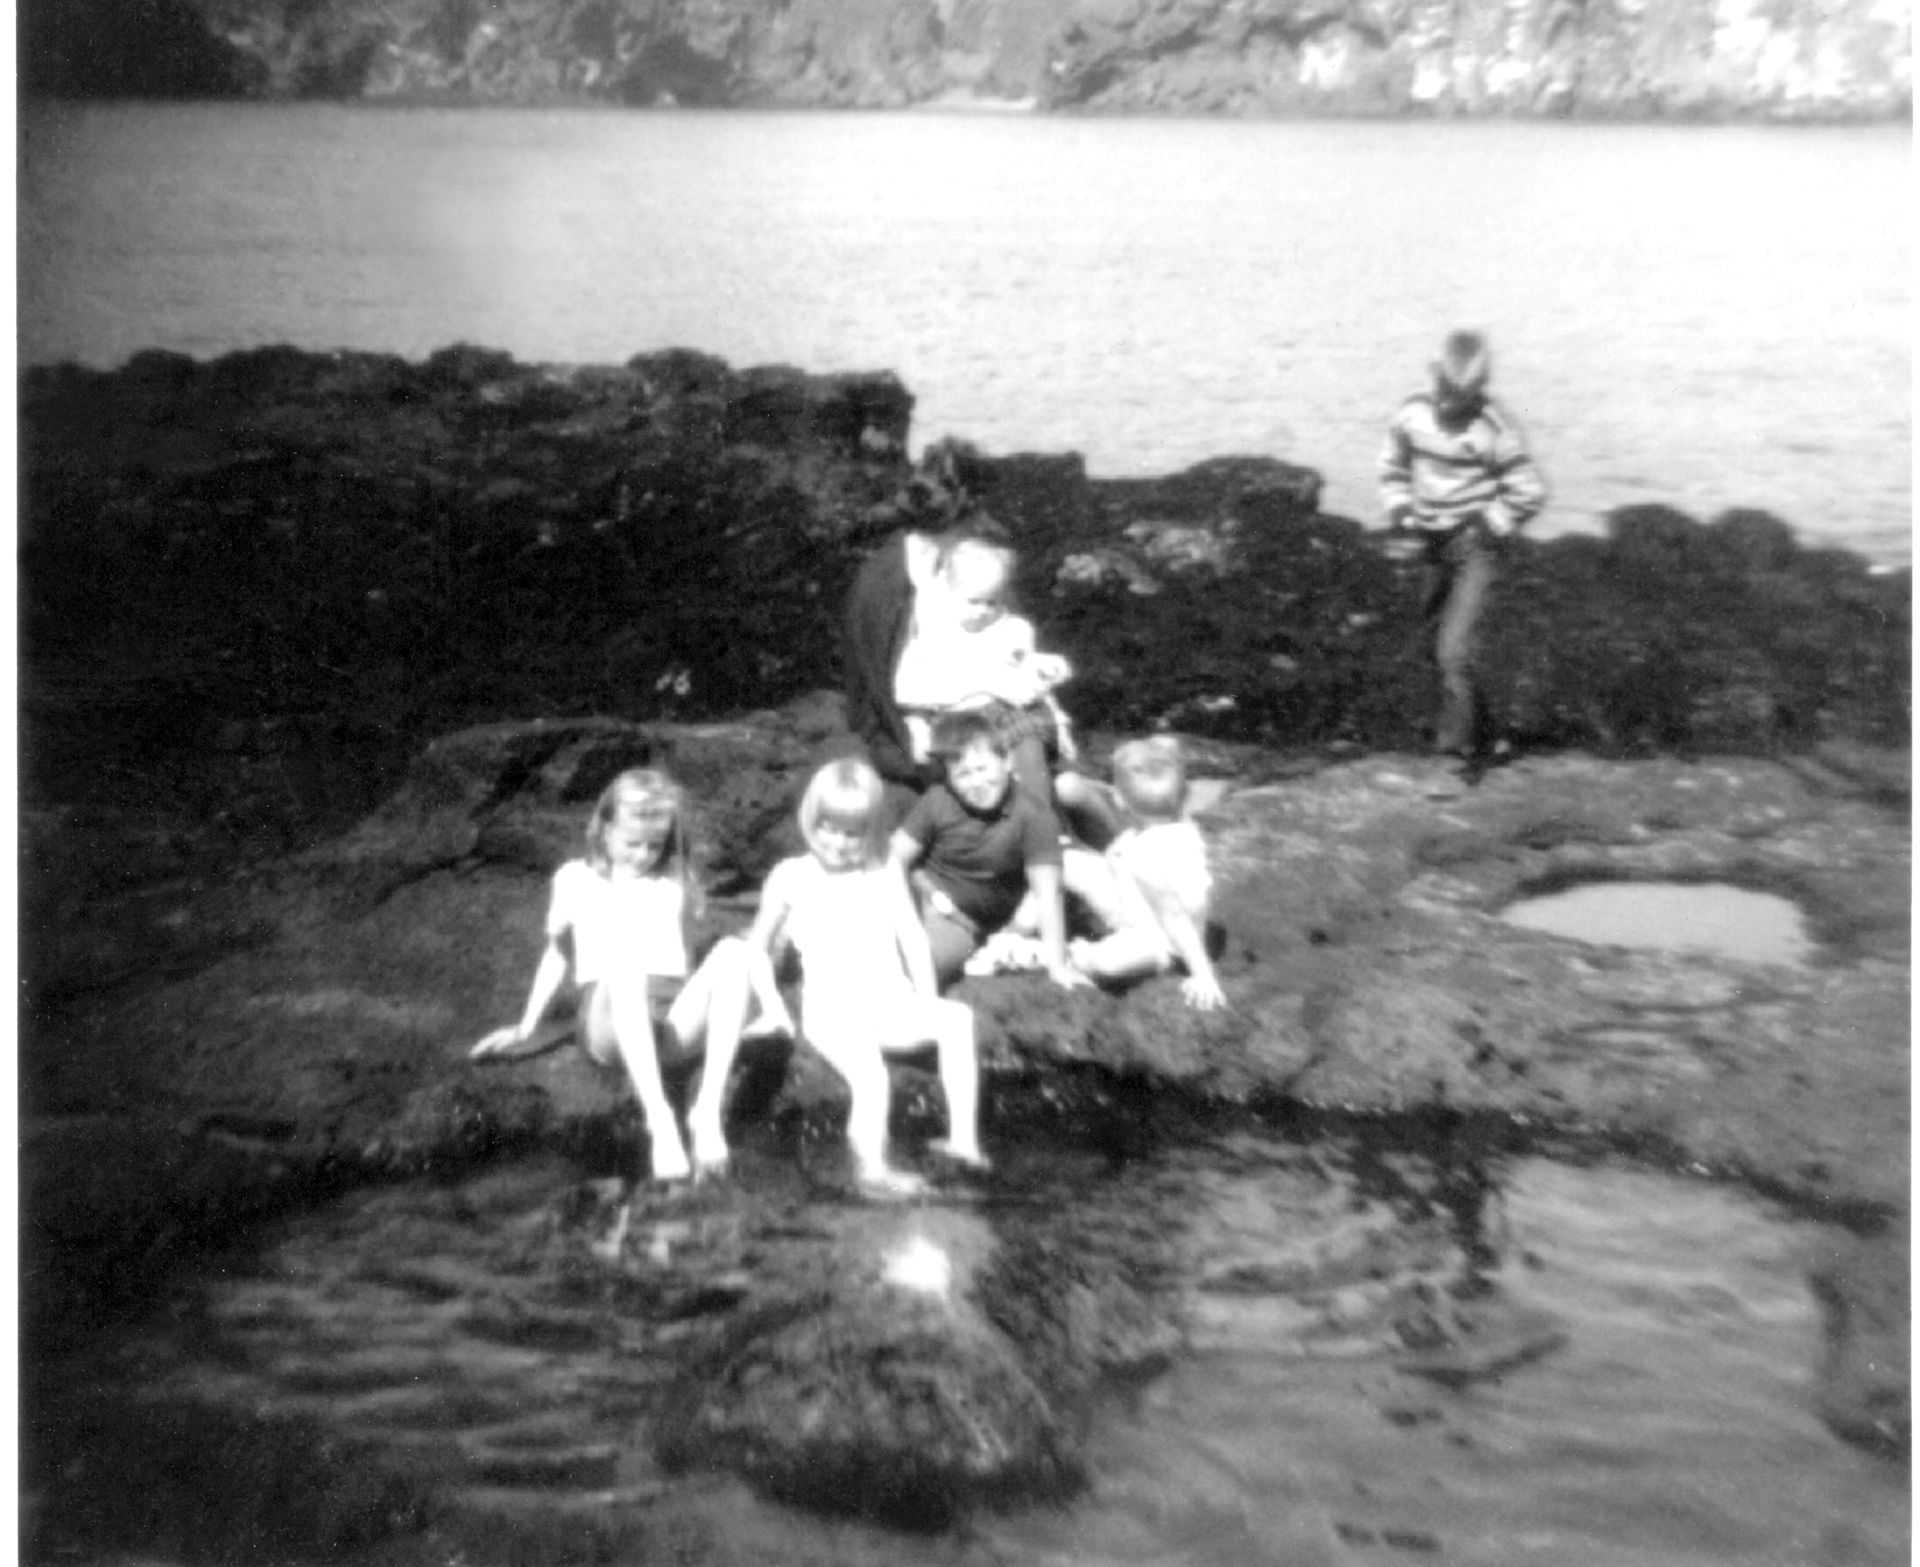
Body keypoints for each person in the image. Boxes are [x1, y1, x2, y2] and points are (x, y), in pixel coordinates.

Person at [471, 768, 792, 1183]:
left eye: (654, 845)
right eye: (631, 843)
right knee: (625, 965)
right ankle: (660, 1120)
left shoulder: (675, 879)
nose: (642, 855)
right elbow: (558, 954)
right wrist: (527, 1026)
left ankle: (707, 1111)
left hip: (670, 1025)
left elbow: (690, 950)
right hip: (611, 1024)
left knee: (732, 951)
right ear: (605, 831)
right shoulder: (574, 879)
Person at [746, 757, 986, 1193]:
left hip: (891, 1003)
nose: (838, 843)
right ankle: (872, 1169)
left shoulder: (883, 868)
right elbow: (756, 948)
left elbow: (912, 936)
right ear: (811, 820)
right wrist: (770, 1004)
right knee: (871, 1077)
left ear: (872, 830)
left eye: (852, 833)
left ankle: (963, 1141)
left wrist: (926, 998)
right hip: (834, 1014)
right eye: (829, 829)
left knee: (957, 1019)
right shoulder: (791, 876)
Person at [1380, 330, 1548, 769]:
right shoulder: (1412, 415)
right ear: (1433, 375)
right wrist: (1401, 511)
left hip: (1474, 548)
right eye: (1444, 390)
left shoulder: (1493, 428)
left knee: (1453, 649)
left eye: (1461, 396)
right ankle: (1487, 734)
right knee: (1431, 641)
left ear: (1479, 390)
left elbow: (1528, 491)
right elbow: (1393, 466)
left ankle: (1455, 753)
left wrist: (1488, 524)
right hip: (1429, 541)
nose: (1449, 403)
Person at [889, 710, 1088, 991]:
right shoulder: (937, 802)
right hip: (931, 897)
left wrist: (1057, 966)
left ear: (1006, 761)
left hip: (972, 921)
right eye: (963, 775)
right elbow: (893, 856)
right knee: (897, 955)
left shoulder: (1034, 814)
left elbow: (1047, 892)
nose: (977, 783)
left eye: (982, 769)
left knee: (925, 965)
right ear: (949, 778)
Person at [893, 534, 1079, 779]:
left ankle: (1035, 797)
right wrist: (987, 685)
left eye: (992, 602)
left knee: (1030, 741)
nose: (982, 611)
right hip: (956, 719)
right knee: (976, 761)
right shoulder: (936, 633)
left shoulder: (1014, 629)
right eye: (973, 601)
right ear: (950, 593)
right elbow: (907, 693)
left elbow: (1035, 687)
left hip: (1006, 716)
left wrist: (1060, 723)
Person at [1063, 736, 1226, 1011]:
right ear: (1185, 796)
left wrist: (1203, 974)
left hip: (1158, 939)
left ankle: (1080, 955)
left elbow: (1175, 918)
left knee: (1107, 963)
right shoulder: (1183, 830)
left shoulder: (1145, 859)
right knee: (1069, 863)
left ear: (1119, 801)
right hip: (1142, 903)